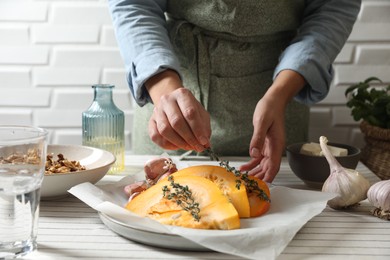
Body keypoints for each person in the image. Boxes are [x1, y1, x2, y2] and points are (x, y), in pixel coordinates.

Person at [108, 0, 361, 182]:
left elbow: (334, 6)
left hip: (280, 105)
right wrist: (164, 88)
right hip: (170, 98)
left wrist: (280, 93)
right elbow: (134, 4)